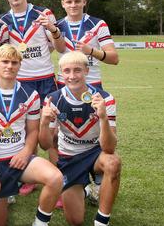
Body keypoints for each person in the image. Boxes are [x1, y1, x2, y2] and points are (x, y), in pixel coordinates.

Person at [0, 44, 63, 226]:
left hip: (19, 159)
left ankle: (40, 223)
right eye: (5, 61)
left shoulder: (30, 95)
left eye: (14, 62)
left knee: (55, 178)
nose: (9, 66)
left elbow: (33, 131)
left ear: (20, 65)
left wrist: (26, 152)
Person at [39, 51, 121, 226]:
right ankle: (84, 189)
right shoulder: (53, 99)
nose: (72, 76)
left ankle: (102, 221)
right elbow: (45, 145)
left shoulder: (105, 99)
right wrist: (44, 123)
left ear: (87, 71)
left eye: (77, 70)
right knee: (75, 221)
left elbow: (109, 148)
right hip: (69, 158)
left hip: (96, 154)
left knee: (113, 162)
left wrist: (103, 118)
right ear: (61, 73)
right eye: (66, 71)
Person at [56, 0, 119, 89]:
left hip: (91, 83)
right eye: (69, 2)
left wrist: (91, 51)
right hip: (65, 83)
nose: (73, 5)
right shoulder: (56, 26)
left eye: (77, 1)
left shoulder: (98, 24)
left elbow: (114, 59)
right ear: (63, 4)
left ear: (84, 2)